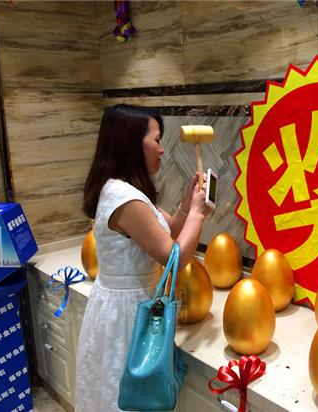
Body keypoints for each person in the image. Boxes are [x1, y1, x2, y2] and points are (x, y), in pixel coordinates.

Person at [75, 104, 211, 411]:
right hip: (126, 313)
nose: (162, 149)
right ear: (132, 145)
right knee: (127, 395)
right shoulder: (123, 198)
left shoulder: (126, 191)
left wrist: (188, 204)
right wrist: (198, 214)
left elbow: (169, 231)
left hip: (130, 304)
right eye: (157, 140)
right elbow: (175, 257)